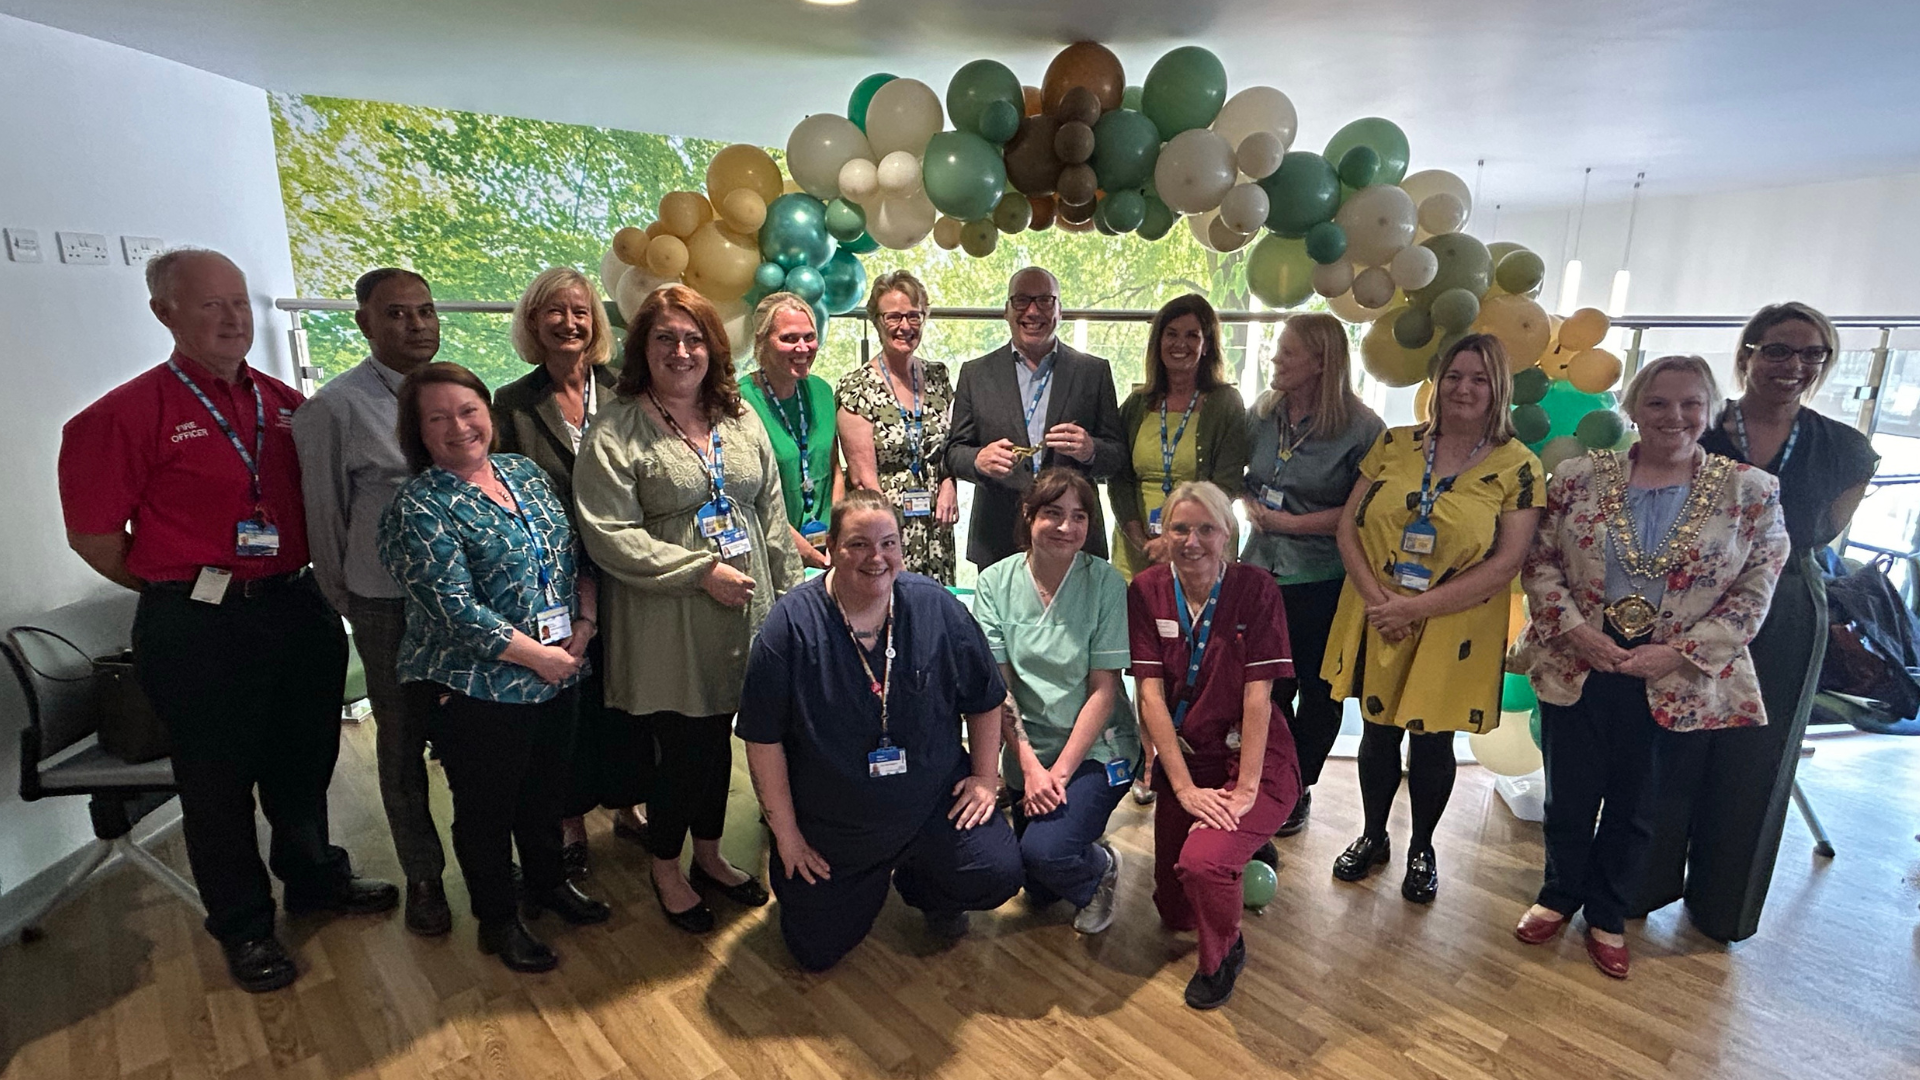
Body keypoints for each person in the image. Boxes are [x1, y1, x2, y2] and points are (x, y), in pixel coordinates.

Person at [57, 248, 397, 993]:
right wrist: (185, 586)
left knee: (305, 761)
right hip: (198, 624)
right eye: (210, 305)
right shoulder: (120, 417)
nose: (233, 317)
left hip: (295, 607)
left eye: (239, 302)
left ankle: (314, 877)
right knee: (214, 784)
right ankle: (244, 926)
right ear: (164, 312)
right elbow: (95, 539)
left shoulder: (284, 404)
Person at [1511, 355, 1787, 978]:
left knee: (1641, 804)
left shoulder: (1752, 491)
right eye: (1659, 403)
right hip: (1581, 657)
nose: (1675, 416)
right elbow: (1540, 560)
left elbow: (1755, 590)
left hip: (1673, 674)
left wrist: (1678, 653)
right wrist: (1578, 632)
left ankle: (1608, 912)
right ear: (1633, 408)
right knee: (1569, 795)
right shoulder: (1578, 477)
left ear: (1711, 410)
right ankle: (1558, 895)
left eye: (1691, 403)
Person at [1634, 304, 1880, 942]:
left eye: (1811, 354)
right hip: (1683, 602)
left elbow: (1818, 534)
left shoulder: (1846, 449)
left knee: (1757, 763)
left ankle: (1723, 910)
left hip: (1787, 610)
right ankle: (1638, 885)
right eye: (1777, 350)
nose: (1793, 366)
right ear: (1747, 354)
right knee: (1667, 745)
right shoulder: (1692, 422)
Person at [574, 283, 801, 933]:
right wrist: (700, 572)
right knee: (686, 751)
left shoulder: (739, 415)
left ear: (714, 347)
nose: (681, 350)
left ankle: (708, 855)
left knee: (720, 743)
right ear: (642, 347)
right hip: (666, 618)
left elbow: (772, 515)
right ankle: (666, 868)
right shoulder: (617, 425)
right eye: (665, 338)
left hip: (745, 613)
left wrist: (786, 603)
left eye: (694, 337)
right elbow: (607, 535)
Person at [378, 362, 612, 972]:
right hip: (477, 688)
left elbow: (575, 558)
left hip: (562, 668)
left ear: (488, 412)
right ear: (418, 433)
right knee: (486, 811)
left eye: (468, 410)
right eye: (438, 418)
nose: (459, 427)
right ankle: (497, 920)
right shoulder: (417, 507)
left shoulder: (524, 473)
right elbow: (455, 609)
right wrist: (542, 659)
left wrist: (584, 628)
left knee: (546, 793)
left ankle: (548, 885)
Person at [737, 489, 1023, 971]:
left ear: (903, 548)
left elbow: (985, 697)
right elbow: (762, 741)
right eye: (858, 545)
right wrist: (786, 836)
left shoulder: (937, 609)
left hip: (931, 804)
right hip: (837, 823)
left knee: (995, 871)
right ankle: (863, 879)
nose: (877, 558)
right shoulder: (789, 628)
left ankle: (926, 885)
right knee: (814, 949)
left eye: (889, 543)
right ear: (829, 548)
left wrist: (983, 777)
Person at [1322, 333, 1542, 905]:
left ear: (1499, 389)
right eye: (1453, 376)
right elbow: (1349, 527)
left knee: (1432, 739)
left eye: (1479, 379)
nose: (1463, 389)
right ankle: (1372, 835)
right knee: (1377, 730)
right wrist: (1379, 602)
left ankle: (1422, 846)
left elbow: (1507, 563)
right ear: (1436, 383)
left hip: (1454, 622)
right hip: (1377, 607)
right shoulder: (1394, 445)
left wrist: (1414, 608)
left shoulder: (1519, 465)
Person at [493, 267, 643, 882]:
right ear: (533, 322)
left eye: (580, 310)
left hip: (630, 563)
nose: (569, 322)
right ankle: (570, 817)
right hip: (554, 576)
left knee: (629, 691)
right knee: (569, 692)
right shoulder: (512, 403)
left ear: (596, 322)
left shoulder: (626, 389)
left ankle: (630, 802)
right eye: (554, 311)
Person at [1129, 481, 1301, 1010]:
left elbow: (1258, 697)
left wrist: (1246, 788)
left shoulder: (1257, 588)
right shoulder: (1146, 589)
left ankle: (1223, 955)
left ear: (1228, 534)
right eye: (1180, 528)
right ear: (1164, 531)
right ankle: (1237, 858)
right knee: (1173, 911)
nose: (1193, 540)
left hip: (1248, 757)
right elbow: (1151, 698)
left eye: (1207, 528)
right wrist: (1179, 788)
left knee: (1203, 864)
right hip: (1188, 756)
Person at [972, 469, 1137, 934]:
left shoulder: (1105, 583)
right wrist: (1027, 765)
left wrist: (1058, 774)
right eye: (1053, 513)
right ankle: (1080, 844)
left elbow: (1105, 691)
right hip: (1029, 752)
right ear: (1028, 516)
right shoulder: (994, 583)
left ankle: (1099, 869)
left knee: (1047, 853)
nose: (1066, 527)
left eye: (1079, 516)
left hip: (1096, 749)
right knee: (1039, 886)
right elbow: (998, 689)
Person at [1240, 313, 1385, 838]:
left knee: (1319, 692)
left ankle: (1298, 786)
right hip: (1259, 571)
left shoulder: (1363, 429)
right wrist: (1249, 502)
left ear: (1321, 362)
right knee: (1264, 688)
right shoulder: (1261, 414)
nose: (1275, 361)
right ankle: (1263, 779)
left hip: (1322, 579)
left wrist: (1290, 522)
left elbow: (1363, 511)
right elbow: (1239, 474)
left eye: (1287, 353)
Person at [943, 266, 1125, 571]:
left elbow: (1118, 456)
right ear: (1006, 310)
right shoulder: (976, 373)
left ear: (1060, 310)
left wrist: (1090, 449)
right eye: (1021, 300)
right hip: (999, 537)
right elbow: (954, 452)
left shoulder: (1093, 372)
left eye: (1044, 300)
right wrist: (978, 460)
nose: (1032, 311)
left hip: (1074, 536)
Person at [1110, 294, 1249, 580]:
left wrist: (1176, 540)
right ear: (1158, 341)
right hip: (1137, 548)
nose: (1180, 344)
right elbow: (1119, 478)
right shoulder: (1137, 403)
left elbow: (1227, 483)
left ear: (1207, 345)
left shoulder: (1226, 403)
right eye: (1171, 334)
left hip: (1201, 548)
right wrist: (1145, 542)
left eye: (1192, 336)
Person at [835, 272, 957, 582]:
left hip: (935, 527)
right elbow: (863, 480)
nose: (905, 326)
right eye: (894, 317)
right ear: (876, 322)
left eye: (914, 316)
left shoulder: (938, 376)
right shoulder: (857, 387)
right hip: (884, 532)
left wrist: (949, 483)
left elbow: (952, 446)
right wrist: (889, 543)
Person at [743, 292, 841, 570]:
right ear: (762, 341)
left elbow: (833, 468)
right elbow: (750, 497)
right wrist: (803, 550)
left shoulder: (821, 391)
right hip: (771, 550)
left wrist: (839, 532)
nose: (802, 347)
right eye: (788, 338)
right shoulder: (740, 401)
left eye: (809, 337)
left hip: (828, 549)